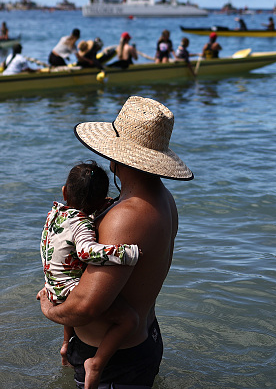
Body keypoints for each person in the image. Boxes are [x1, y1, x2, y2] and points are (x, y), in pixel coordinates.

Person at [38, 95, 194, 389]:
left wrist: (50, 310)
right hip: (143, 339)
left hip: (112, 363)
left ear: (115, 156)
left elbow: (86, 307)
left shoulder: (125, 216)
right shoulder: (163, 200)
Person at [41, 161, 140, 389]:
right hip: (68, 293)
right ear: (101, 199)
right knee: (129, 320)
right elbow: (87, 252)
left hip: (52, 285)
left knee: (73, 276)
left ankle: (66, 343)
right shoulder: (82, 224)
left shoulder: (54, 214)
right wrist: (127, 253)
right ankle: (96, 364)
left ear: (65, 192)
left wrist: (98, 206)